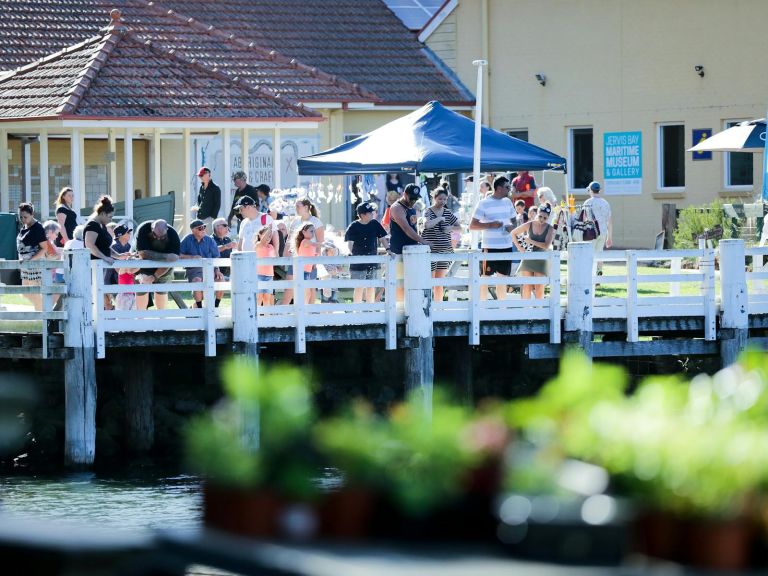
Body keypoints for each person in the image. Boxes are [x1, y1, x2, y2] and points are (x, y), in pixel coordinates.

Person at [469, 176, 517, 301]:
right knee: (484, 280)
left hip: (506, 246)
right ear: (499, 188)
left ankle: (502, 312)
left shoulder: (508, 202)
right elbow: (472, 225)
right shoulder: (484, 203)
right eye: (507, 187)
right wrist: (490, 225)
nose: (509, 190)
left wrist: (511, 227)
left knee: (502, 281)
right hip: (489, 247)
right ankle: (482, 310)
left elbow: (514, 222)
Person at [421, 185, 462, 303]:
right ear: (434, 198)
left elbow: (460, 228)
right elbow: (426, 225)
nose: (442, 201)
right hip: (430, 252)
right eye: (440, 199)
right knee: (429, 280)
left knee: (439, 282)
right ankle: (428, 306)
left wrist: (451, 228)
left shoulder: (448, 213)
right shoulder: (428, 211)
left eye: (444, 199)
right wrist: (439, 219)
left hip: (445, 251)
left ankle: (438, 306)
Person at [282, 198, 325, 305]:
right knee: (290, 287)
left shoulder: (316, 222)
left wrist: (316, 261)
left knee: (310, 289)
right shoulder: (295, 221)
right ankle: (282, 312)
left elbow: (320, 242)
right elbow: (289, 240)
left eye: (298, 206)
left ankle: (310, 314)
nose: (296, 208)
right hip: (296, 259)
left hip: (310, 261)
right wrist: (284, 256)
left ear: (306, 207)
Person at [344, 201, 388, 304]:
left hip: (372, 261)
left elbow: (382, 238)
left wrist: (388, 250)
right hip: (358, 262)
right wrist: (350, 252)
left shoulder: (375, 224)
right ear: (362, 215)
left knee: (371, 286)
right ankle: (357, 309)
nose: (372, 214)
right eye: (369, 213)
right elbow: (350, 243)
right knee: (359, 287)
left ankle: (370, 308)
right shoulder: (353, 226)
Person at [134, 219, 180, 311]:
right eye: (155, 235)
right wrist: (166, 257)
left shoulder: (173, 234)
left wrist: (155, 276)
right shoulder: (143, 229)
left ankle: (162, 319)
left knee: (161, 290)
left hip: (164, 268)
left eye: (162, 237)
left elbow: (172, 260)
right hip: (144, 265)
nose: (158, 238)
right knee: (141, 289)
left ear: (167, 229)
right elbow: (143, 254)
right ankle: (140, 319)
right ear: (151, 229)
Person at [512, 203, 555, 300]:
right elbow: (513, 233)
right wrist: (520, 248)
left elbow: (546, 245)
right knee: (527, 286)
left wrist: (530, 241)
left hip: (541, 259)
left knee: (539, 287)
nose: (542, 219)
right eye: (540, 216)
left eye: (545, 218)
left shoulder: (550, 228)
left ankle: (539, 311)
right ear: (536, 214)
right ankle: (526, 311)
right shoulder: (530, 224)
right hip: (528, 257)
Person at [180, 219, 224, 308]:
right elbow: (178, 254)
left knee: (221, 280)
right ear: (193, 230)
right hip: (194, 269)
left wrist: (217, 270)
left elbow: (215, 257)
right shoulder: (187, 239)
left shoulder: (210, 240)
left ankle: (215, 307)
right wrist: (192, 257)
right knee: (197, 281)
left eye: (204, 227)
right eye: (200, 228)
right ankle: (199, 308)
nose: (203, 229)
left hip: (210, 268)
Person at [84, 196, 118, 310]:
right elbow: (89, 245)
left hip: (100, 267)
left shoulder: (101, 226)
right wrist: (105, 258)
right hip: (93, 266)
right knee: (96, 293)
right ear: (102, 213)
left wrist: (118, 255)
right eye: (109, 217)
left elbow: (105, 247)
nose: (111, 219)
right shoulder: (92, 225)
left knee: (101, 292)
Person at [16, 203, 48, 311]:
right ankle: (41, 312)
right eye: (20, 217)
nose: (23, 219)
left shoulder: (38, 227)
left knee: (34, 293)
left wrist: (31, 260)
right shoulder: (24, 227)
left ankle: (41, 316)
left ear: (32, 214)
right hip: (25, 265)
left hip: (35, 265)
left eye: (25, 217)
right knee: (25, 293)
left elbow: (44, 248)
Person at [583, 181, 613, 274]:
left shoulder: (587, 202)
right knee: (599, 254)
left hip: (591, 233)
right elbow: (609, 222)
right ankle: (598, 277)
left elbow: (584, 219)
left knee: (589, 255)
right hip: (603, 232)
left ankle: (589, 275)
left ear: (590, 190)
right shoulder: (605, 203)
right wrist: (609, 237)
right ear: (599, 190)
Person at [294, 222, 318, 304]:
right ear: (304, 232)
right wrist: (323, 244)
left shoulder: (309, 243)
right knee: (306, 292)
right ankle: (303, 311)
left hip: (307, 271)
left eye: (313, 231)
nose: (313, 233)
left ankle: (304, 310)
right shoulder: (305, 241)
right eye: (311, 231)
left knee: (308, 293)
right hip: (302, 271)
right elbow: (315, 244)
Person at [255, 225, 276, 307]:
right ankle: (258, 318)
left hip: (269, 275)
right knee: (259, 297)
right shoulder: (258, 245)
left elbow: (274, 259)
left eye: (270, 236)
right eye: (266, 235)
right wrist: (269, 229)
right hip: (258, 275)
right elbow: (262, 241)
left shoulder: (271, 247)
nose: (268, 238)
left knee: (267, 298)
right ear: (260, 235)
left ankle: (266, 317)